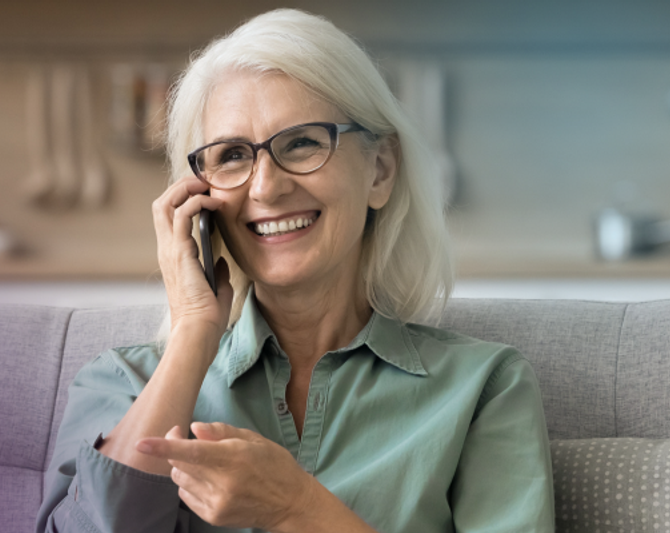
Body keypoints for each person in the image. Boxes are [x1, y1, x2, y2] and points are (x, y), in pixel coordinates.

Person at [36, 9, 554, 533]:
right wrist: (192, 329)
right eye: (232, 155)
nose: (266, 187)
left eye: (303, 142)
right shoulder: (124, 384)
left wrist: (296, 508)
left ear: (379, 170)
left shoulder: (484, 387)